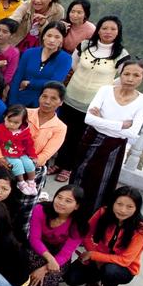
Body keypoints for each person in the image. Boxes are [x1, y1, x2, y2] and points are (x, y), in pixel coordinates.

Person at [53, 17, 129, 183]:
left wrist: (106, 86)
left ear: (118, 32)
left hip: (93, 104)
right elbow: (73, 64)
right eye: (104, 28)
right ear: (98, 30)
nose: (108, 32)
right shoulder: (85, 45)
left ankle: (69, 167)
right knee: (64, 132)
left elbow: (124, 77)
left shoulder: (121, 54)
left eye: (112, 29)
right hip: (71, 97)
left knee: (80, 138)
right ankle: (59, 162)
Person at [72, 60, 143, 219]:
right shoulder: (105, 90)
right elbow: (89, 119)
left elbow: (133, 132)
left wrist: (102, 120)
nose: (130, 78)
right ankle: (69, 215)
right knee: (79, 177)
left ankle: (90, 222)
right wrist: (121, 124)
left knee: (102, 184)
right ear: (120, 74)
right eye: (126, 73)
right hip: (91, 138)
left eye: (136, 75)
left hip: (114, 146)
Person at [64, 186, 143, 286]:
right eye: (119, 204)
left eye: (129, 207)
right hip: (97, 258)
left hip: (122, 268)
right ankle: (95, 280)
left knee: (110, 271)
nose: (122, 210)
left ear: (137, 208)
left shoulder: (141, 229)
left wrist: (94, 255)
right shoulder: (103, 213)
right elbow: (86, 234)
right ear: (112, 202)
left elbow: (125, 260)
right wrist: (92, 253)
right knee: (70, 278)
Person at [26, 185, 84, 286]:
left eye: (68, 201)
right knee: (25, 265)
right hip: (37, 248)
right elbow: (34, 239)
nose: (61, 203)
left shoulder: (79, 225)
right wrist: (50, 259)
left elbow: (66, 253)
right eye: (59, 197)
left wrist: (44, 269)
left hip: (58, 254)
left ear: (77, 206)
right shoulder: (40, 209)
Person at [10, 21, 72, 107]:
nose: (52, 40)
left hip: (45, 104)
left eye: (57, 37)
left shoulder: (65, 59)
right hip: (21, 99)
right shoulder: (29, 53)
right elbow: (17, 78)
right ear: (43, 36)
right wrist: (12, 103)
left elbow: (55, 82)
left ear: (62, 39)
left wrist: (30, 83)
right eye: (49, 35)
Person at [0, 105, 39, 196]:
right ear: (4, 117)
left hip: (22, 153)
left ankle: (31, 182)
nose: (11, 124)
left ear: (22, 122)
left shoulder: (24, 131)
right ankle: (21, 183)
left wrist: (33, 156)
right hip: (8, 153)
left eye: (16, 122)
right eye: (9, 121)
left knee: (29, 163)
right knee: (17, 164)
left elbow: (29, 144)